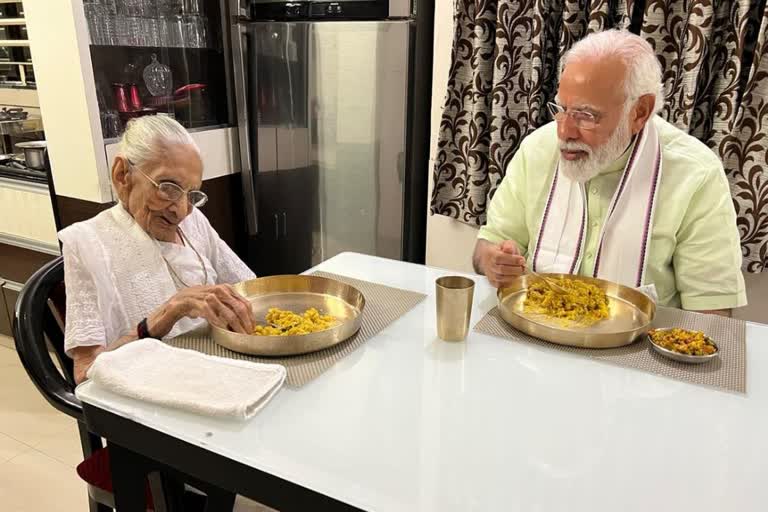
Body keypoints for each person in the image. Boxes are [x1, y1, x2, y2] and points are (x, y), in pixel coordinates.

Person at [473, 30, 746, 315]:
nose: (564, 131)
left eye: (586, 115)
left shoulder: (697, 174)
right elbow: (486, 247)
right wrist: (493, 261)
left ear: (640, 112)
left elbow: (712, 314)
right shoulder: (537, 149)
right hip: (533, 334)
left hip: (640, 351)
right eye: (562, 109)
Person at [60, 115, 257, 384]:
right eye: (168, 187)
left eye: (191, 194)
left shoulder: (194, 222)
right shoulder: (87, 245)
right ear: (122, 175)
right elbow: (86, 374)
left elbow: (249, 290)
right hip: (155, 390)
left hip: (220, 371)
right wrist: (170, 311)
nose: (181, 210)